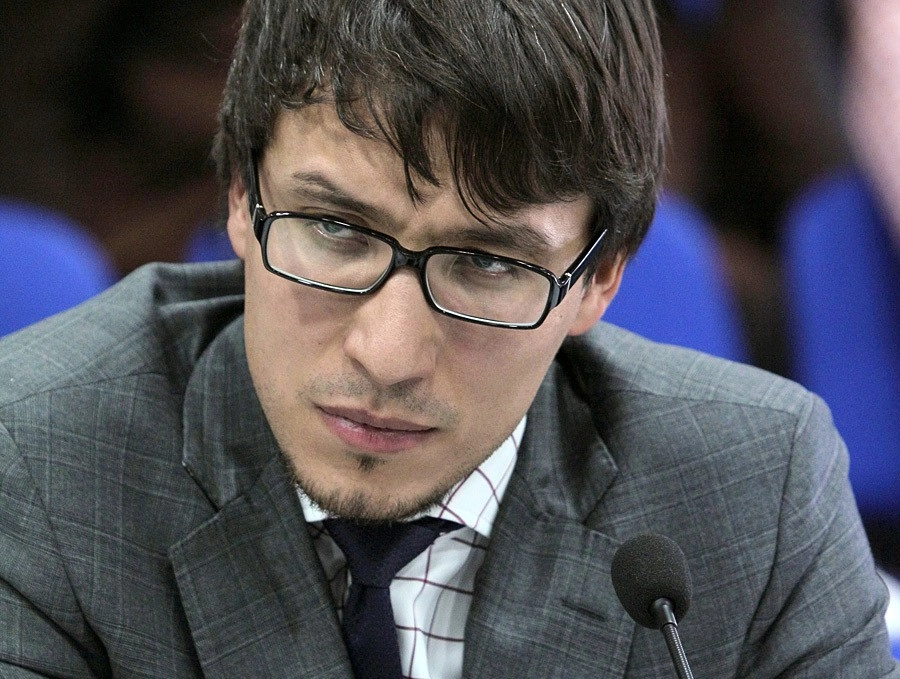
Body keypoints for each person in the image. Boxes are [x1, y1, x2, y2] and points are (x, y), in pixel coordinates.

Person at [0, 0, 896, 676]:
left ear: (601, 278)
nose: (387, 355)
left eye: (488, 264)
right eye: (335, 231)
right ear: (241, 194)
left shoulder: (758, 494)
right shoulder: (40, 465)